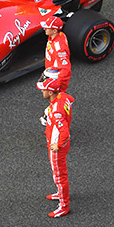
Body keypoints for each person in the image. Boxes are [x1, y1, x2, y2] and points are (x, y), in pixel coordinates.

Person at [38, 77, 74, 218]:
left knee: (59, 177)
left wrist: (57, 145)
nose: (42, 92)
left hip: (57, 147)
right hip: (58, 143)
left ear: (51, 92)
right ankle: (61, 194)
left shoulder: (56, 111)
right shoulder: (62, 96)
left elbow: (64, 131)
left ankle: (64, 206)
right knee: (59, 175)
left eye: (44, 89)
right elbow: (71, 99)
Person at [40, 16, 71, 92]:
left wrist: (60, 88)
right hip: (50, 71)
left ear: (54, 30)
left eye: (47, 27)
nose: (44, 29)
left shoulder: (59, 48)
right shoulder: (56, 36)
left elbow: (65, 69)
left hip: (55, 78)